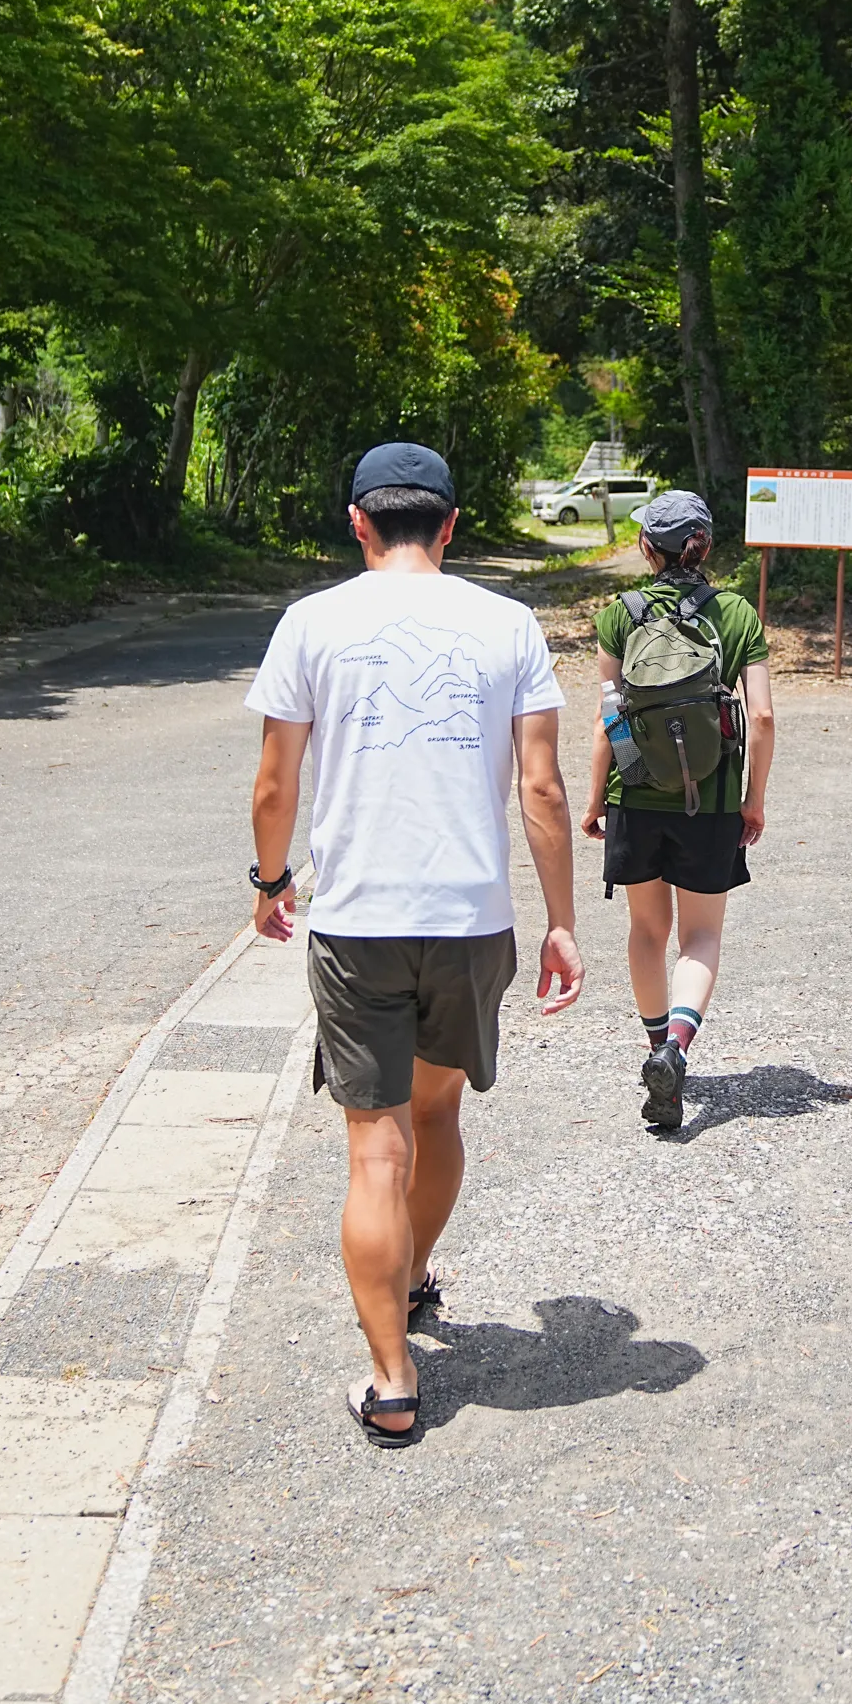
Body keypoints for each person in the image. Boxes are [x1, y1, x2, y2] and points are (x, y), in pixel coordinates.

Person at [244, 442, 584, 1443]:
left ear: (357, 524)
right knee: (433, 1117)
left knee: (372, 1148)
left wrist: (271, 883)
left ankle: (393, 1379)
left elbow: (275, 785)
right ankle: (417, 1270)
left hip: (356, 920)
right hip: (470, 918)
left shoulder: (311, 623)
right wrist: (562, 918)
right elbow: (543, 788)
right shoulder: (507, 623)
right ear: (449, 524)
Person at [582, 489, 775, 1133]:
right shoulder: (737, 614)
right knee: (701, 935)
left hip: (634, 795)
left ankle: (653, 1047)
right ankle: (677, 1051)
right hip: (714, 798)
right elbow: (765, 716)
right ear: (706, 546)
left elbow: (610, 718)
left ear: (646, 549)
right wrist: (754, 798)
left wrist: (593, 799)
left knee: (646, 931)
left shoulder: (619, 615)